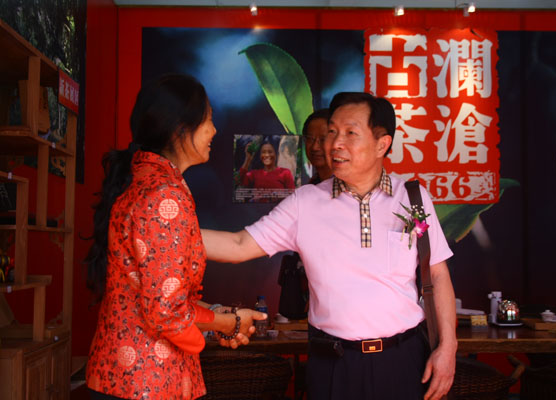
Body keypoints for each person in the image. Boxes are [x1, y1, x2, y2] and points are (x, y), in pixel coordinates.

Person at [201, 92, 457, 400]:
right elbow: (238, 244)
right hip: (334, 364)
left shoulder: (413, 198)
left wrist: (449, 347)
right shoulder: (305, 203)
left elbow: (437, 273)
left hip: (402, 360)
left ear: (382, 144)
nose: (335, 144)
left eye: (350, 133)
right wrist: (166, 231)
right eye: (332, 132)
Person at [84, 74, 266, 400]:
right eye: (208, 120)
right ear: (180, 128)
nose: (214, 131)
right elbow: (166, 312)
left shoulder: (145, 180)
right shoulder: (164, 195)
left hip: (125, 376)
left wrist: (221, 315)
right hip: (147, 380)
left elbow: (161, 292)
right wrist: (227, 324)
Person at [302, 108, 333, 183]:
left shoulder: (350, 186)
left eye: (323, 140)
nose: (315, 147)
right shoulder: (313, 183)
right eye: (310, 139)